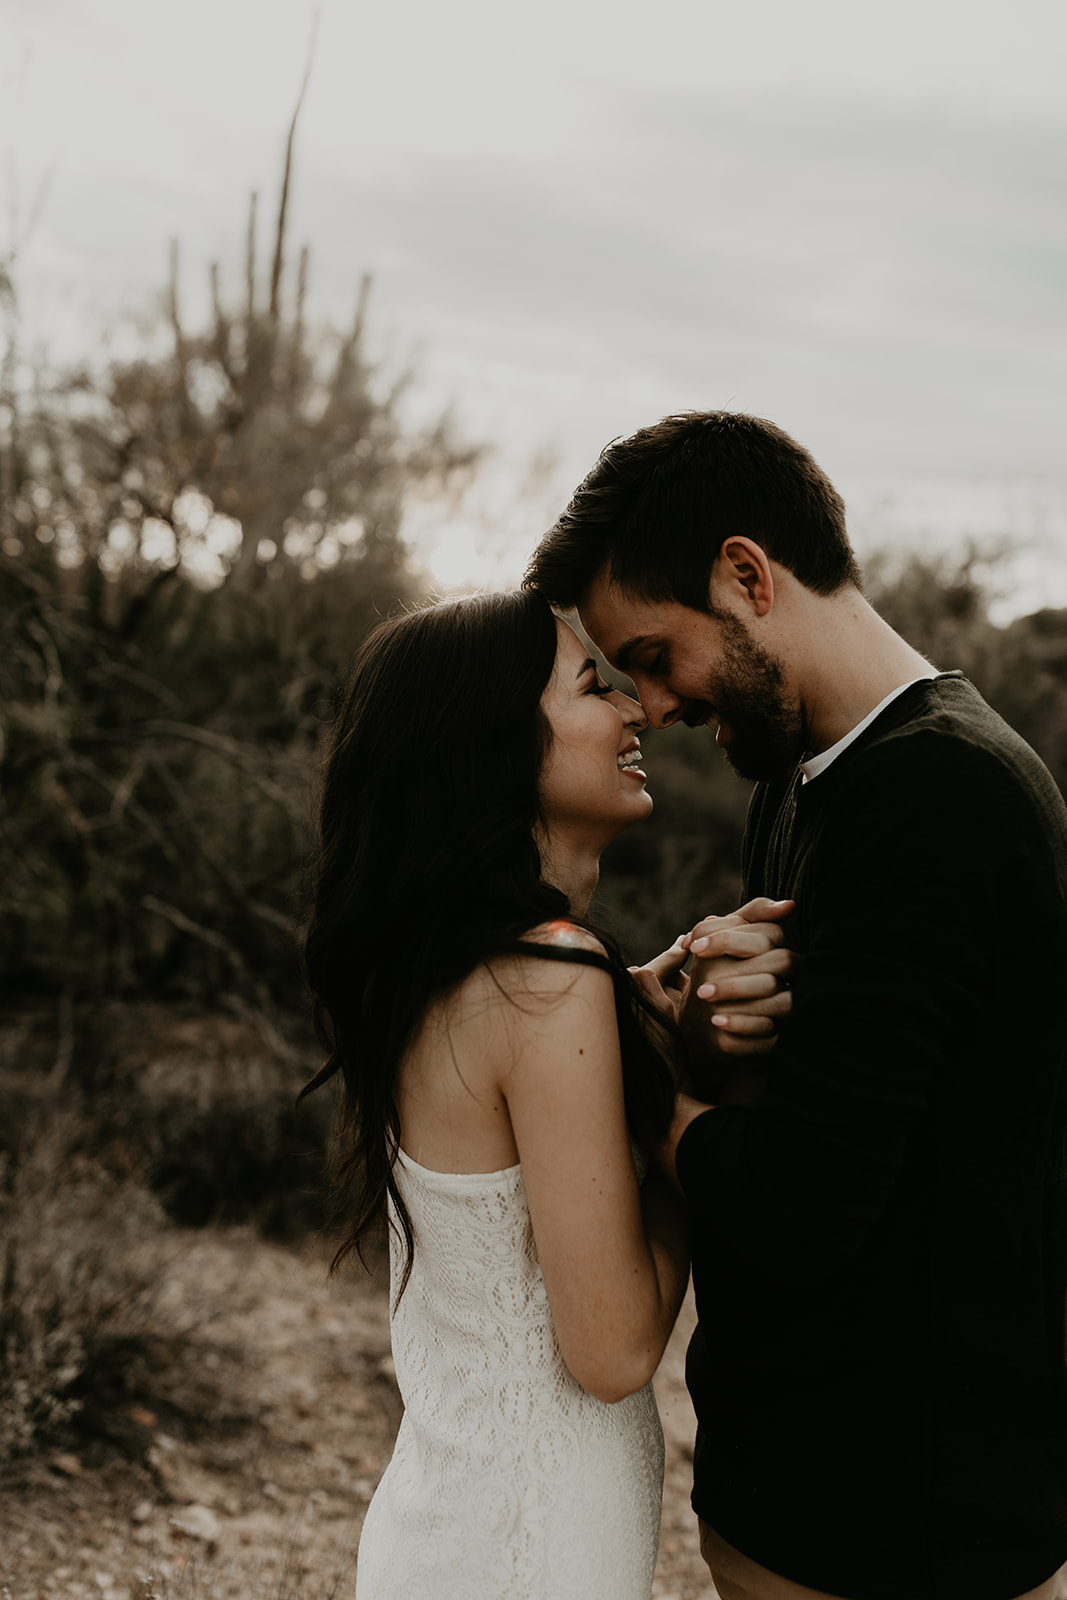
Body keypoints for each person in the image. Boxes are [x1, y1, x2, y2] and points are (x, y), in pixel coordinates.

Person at [524, 410, 1067, 1600]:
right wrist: (715, 1027)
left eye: (653, 654)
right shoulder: (812, 774)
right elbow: (842, 1096)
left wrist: (642, 1082)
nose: (651, 706)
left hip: (912, 1522)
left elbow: (800, 1205)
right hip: (816, 1486)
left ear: (744, 574)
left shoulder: (939, 794)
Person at [301, 588, 789, 1600]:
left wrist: (638, 1029)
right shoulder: (551, 975)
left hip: (447, 1526)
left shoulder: (447, 966)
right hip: (529, 1549)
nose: (629, 711)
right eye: (585, 685)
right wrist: (685, 1100)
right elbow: (610, 1350)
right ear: (494, 746)